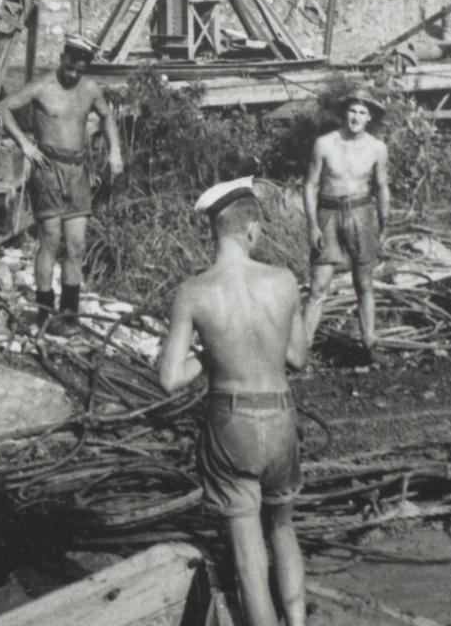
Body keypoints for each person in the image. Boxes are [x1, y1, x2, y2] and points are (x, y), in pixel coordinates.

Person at [158, 177, 309, 626]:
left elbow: (169, 379)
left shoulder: (194, 292)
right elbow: (298, 356)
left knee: (247, 555)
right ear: (251, 230)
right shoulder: (283, 281)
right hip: (280, 416)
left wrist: (210, 355)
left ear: (214, 232)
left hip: (232, 423)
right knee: (282, 527)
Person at [0, 34, 123, 335]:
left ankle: (68, 316)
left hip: (77, 169)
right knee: (51, 239)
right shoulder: (42, 86)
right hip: (47, 168)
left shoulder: (90, 89)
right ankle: (43, 314)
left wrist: (115, 150)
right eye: (69, 66)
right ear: (62, 57)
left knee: (76, 245)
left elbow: (107, 117)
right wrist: (25, 144)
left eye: (79, 69)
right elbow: (2, 108)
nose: (73, 74)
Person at [303, 87, 390, 364]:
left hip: (361, 214)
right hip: (328, 214)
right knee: (318, 286)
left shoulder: (377, 148)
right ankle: (301, 351)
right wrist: (312, 224)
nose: (356, 117)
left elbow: (381, 185)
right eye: (352, 111)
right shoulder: (325, 143)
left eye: (362, 112)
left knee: (364, 283)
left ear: (369, 118)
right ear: (345, 113)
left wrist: (385, 222)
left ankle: (369, 344)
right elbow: (310, 184)